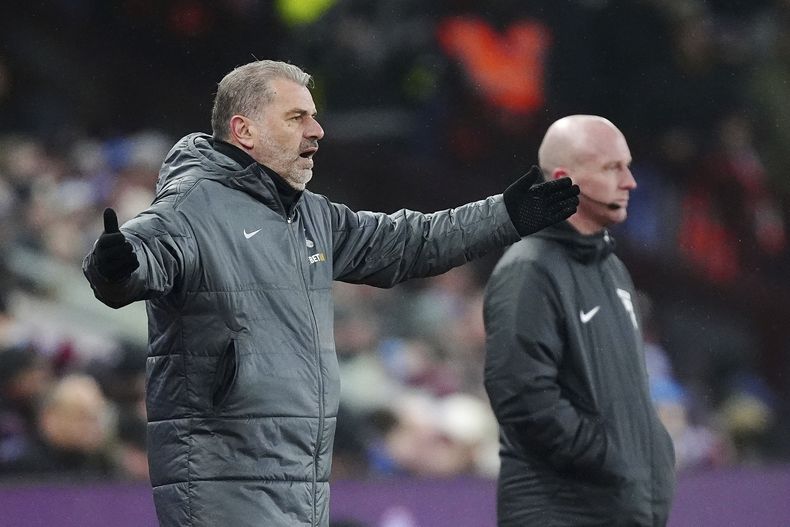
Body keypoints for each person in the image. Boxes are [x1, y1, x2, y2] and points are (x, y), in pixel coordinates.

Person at [82, 59, 579, 527]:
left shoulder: (310, 215)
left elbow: (412, 243)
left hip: (300, 481)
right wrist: (116, 268)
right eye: (297, 117)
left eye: (314, 118)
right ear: (244, 131)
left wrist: (505, 216)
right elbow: (139, 256)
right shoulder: (193, 206)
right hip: (224, 483)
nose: (317, 131)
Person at [483, 115, 676, 526]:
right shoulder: (528, 271)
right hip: (564, 511)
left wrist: (649, 456)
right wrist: (613, 455)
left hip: (619, 507)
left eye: (627, 165)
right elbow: (523, 400)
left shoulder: (611, 268)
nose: (630, 182)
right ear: (564, 179)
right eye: (612, 168)